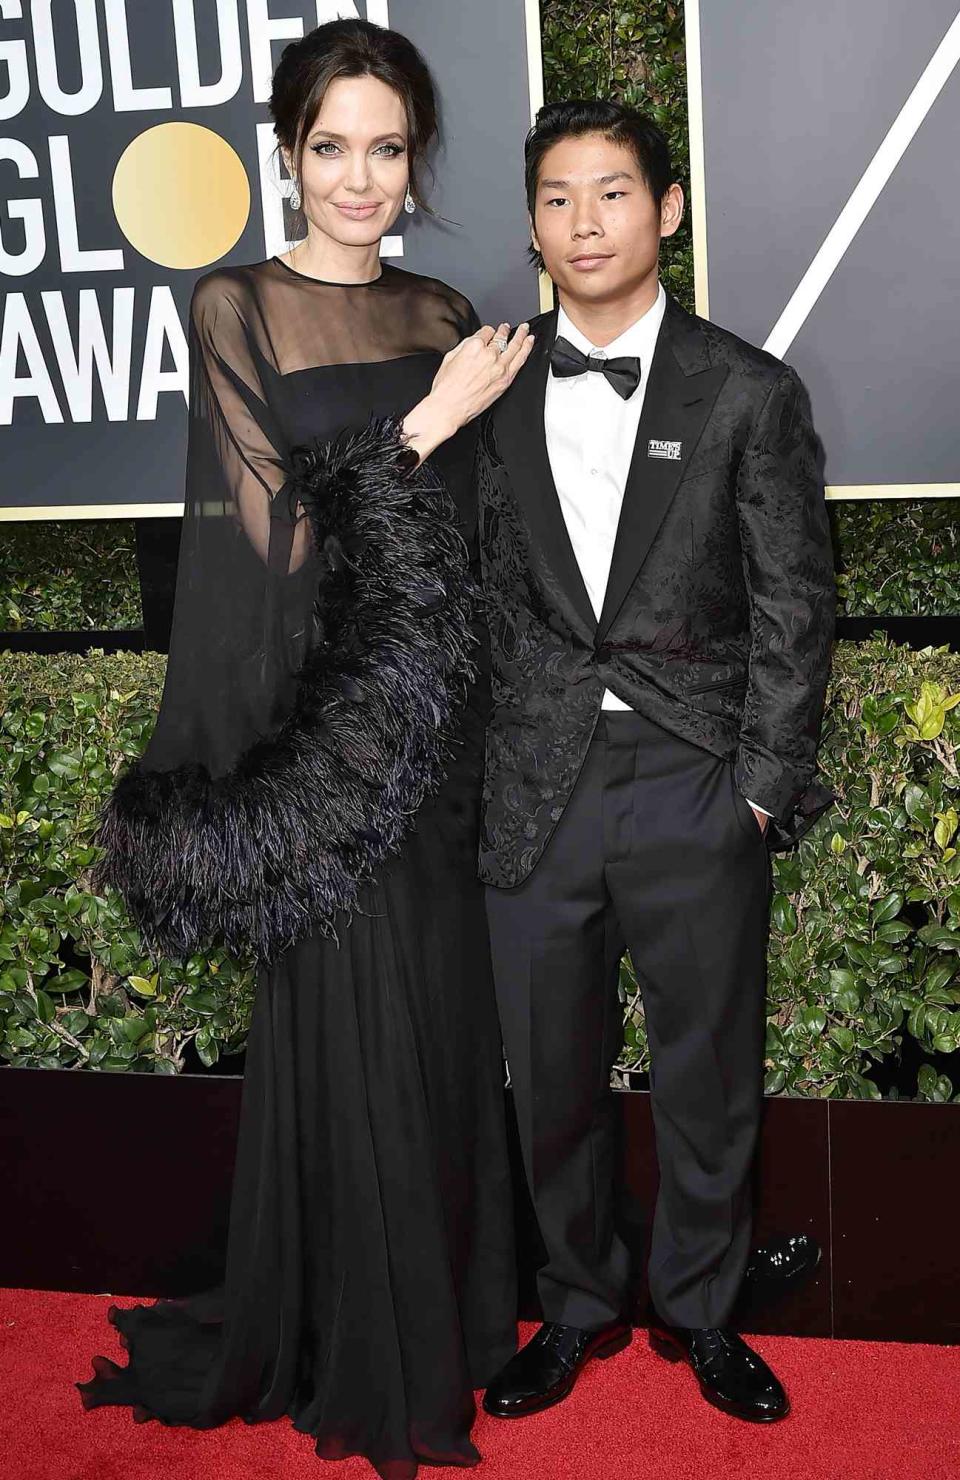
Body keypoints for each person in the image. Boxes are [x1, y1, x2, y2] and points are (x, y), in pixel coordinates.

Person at [76, 20, 534, 1480]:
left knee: (448, 1029)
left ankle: (455, 1314)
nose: (359, 177)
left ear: (417, 162)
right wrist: (428, 424)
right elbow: (273, 548)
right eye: (330, 145)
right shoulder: (240, 308)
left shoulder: (442, 304)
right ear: (286, 153)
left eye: (387, 148)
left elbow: (478, 550)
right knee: (357, 1028)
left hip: (443, 737)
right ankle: (357, 1339)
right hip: (330, 754)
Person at [476, 101, 836, 1425]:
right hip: (537, 789)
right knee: (550, 1074)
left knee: (707, 1075)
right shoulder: (490, 382)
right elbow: (460, 597)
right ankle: (574, 1302)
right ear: (532, 225)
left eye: (614, 194)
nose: (585, 223)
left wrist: (759, 786)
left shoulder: (746, 389)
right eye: (559, 199)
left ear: (667, 210)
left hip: (696, 782)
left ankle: (702, 1309)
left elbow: (799, 606)